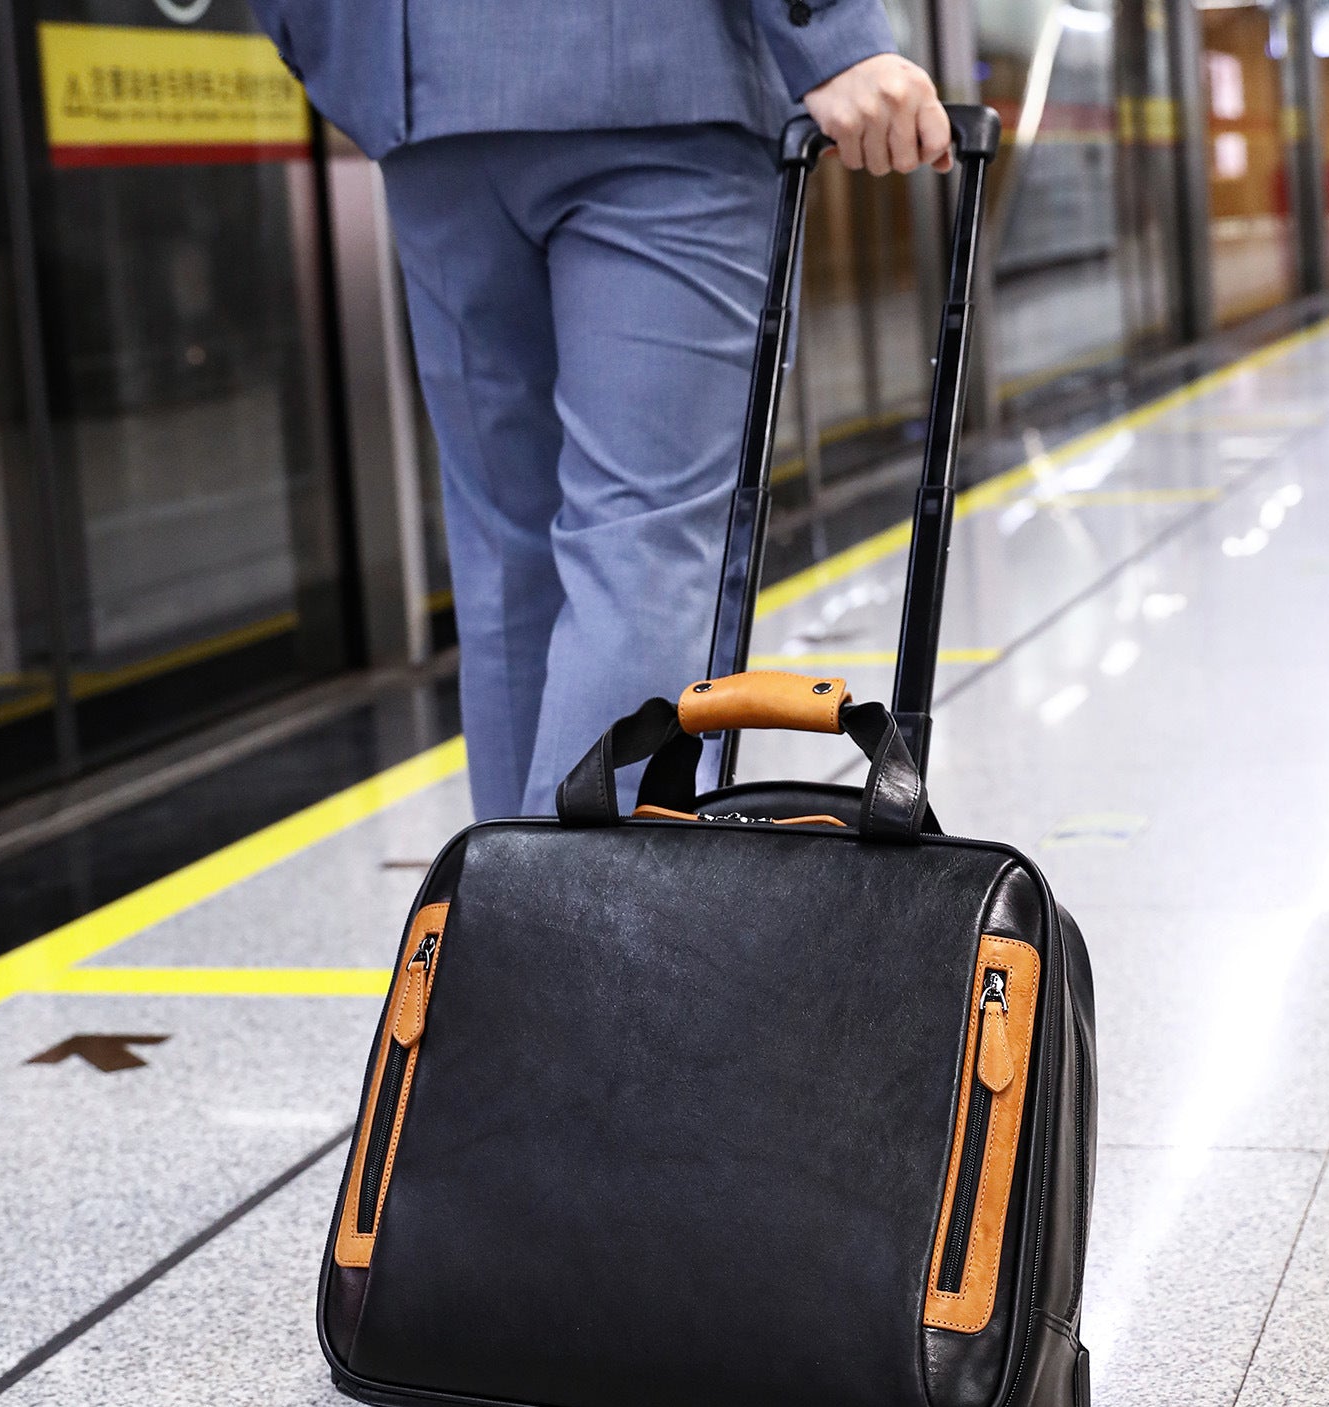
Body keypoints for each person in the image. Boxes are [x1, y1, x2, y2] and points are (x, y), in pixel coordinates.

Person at [250, 1, 953, 819]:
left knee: (509, 557)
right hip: (660, 84)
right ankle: (573, 927)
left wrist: (335, 42)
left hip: (426, 97)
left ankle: (504, 920)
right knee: (643, 541)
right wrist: (831, 36)